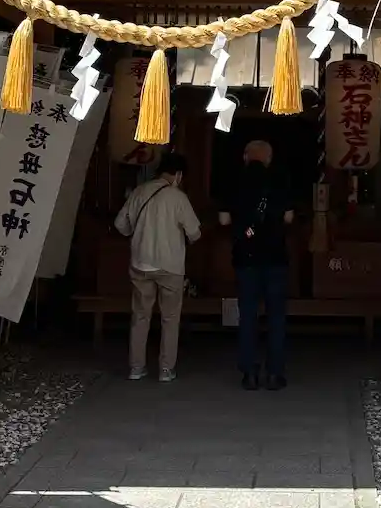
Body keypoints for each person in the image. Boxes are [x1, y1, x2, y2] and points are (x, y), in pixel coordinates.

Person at [114, 153, 200, 382]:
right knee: (170, 319)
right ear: (178, 175)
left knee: (140, 316)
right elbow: (194, 233)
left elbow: (120, 225)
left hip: (140, 263)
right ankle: (165, 370)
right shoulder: (178, 197)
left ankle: (136, 368)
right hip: (170, 266)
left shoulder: (139, 191)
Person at [220, 140, 293, 390]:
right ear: (269, 158)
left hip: (246, 257)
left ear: (245, 156)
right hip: (275, 257)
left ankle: (249, 373)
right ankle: (274, 373)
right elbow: (289, 216)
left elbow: (223, 219)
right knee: (276, 317)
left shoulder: (234, 180)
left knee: (248, 315)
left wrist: (244, 224)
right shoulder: (280, 180)